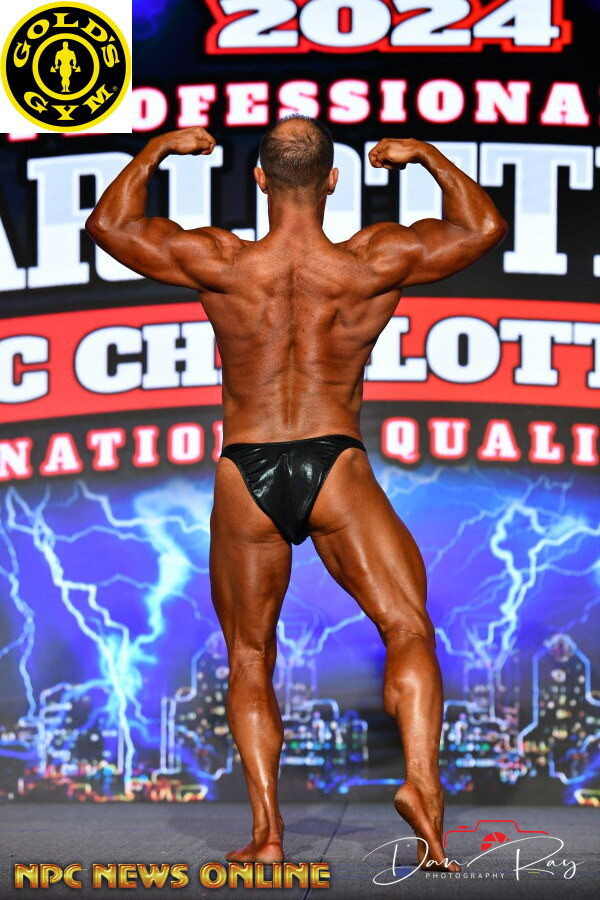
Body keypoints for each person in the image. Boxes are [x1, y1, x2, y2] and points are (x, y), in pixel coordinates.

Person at [86, 117, 507, 871]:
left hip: (245, 467)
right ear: (333, 181)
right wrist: (425, 155)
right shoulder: (371, 261)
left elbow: (110, 226)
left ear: (259, 180)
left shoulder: (223, 261)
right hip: (333, 461)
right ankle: (420, 784)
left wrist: (157, 151)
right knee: (407, 626)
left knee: (250, 655)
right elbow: (482, 228)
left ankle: (269, 835)